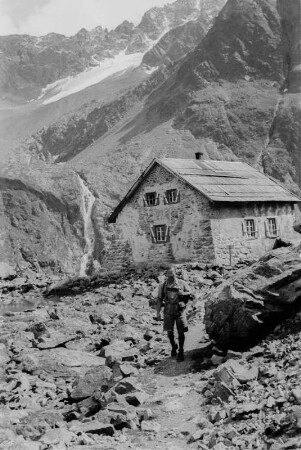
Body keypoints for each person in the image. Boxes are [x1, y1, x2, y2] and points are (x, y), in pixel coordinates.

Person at [156, 266, 192, 362]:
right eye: (169, 273)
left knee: (181, 331)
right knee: (169, 331)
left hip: (180, 310)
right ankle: (173, 346)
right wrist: (158, 312)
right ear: (166, 274)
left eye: (172, 273)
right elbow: (159, 299)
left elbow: (190, 292)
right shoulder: (163, 285)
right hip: (168, 310)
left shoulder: (182, 283)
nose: (171, 275)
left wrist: (182, 294)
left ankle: (181, 350)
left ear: (175, 273)